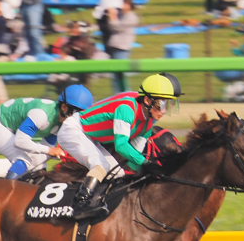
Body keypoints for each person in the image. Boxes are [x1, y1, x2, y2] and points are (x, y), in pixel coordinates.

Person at [59, 74, 181, 220]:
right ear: (147, 100)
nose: (164, 111)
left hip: (91, 138)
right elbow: (121, 146)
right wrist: (147, 164)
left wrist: (153, 173)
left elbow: (133, 157)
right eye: (161, 105)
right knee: (100, 166)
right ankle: (79, 205)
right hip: (73, 130)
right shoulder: (127, 109)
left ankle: (97, 202)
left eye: (168, 105)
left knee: (118, 173)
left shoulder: (148, 123)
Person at [0, 85, 94, 181]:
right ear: (64, 107)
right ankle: (5, 190)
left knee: (39, 161)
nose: (77, 118)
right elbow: (20, 142)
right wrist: (51, 151)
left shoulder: (62, 121)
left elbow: (45, 148)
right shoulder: (41, 115)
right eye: (75, 113)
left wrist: (53, 154)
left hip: (11, 128)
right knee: (24, 158)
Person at [106, 0, 138, 93]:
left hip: (121, 48)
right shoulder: (122, 15)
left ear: (128, 5)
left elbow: (117, 28)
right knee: (116, 76)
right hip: (115, 47)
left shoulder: (131, 16)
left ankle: (125, 96)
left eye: (123, 3)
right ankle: (118, 96)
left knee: (120, 76)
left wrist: (112, 17)